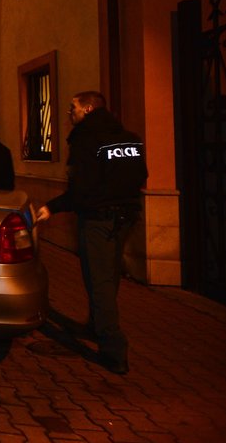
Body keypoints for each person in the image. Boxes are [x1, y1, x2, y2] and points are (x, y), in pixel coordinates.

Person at [35, 91, 148, 375]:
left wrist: (53, 206)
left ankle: (113, 348)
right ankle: (96, 325)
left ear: (87, 109)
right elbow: (141, 175)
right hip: (126, 217)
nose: (69, 113)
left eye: (73, 107)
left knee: (98, 280)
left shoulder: (87, 138)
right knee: (108, 274)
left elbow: (82, 188)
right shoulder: (129, 138)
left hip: (98, 219)